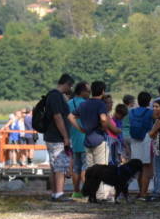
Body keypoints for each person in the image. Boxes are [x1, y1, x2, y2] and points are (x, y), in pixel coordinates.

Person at [43, 73, 77, 202]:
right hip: (56, 137)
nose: (70, 89)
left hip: (51, 136)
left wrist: (81, 129)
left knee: (54, 166)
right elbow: (57, 117)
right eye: (70, 86)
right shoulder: (56, 96)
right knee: (60, 166)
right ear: (67, 84)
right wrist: (65, 137)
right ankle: (59, 194)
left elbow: (68, 115)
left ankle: (54, 193)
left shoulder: (53, 96)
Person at [76, 81, 119, 169]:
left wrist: (80, 129)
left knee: (91, 170)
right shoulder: (101, 104)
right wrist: (105, 128)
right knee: (102, 170)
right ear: (103, 91)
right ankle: (102, 183)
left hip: (88, 141)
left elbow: (71, 116)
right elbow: (103, 119)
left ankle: (91, 183)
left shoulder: (84, 104)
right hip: (99, 140)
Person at [127, 91, 154, 199]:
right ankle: (144, 193)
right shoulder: (150, 112)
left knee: (138, 167)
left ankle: (140, 191)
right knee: (146, 167)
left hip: (134, 139)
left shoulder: (131, 112)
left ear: (138, 100)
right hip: (146, 138)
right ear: (148, 101)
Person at [67, 81, 90, 197]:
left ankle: (76, 192)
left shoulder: (69, 103)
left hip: (73, 138)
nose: (90, 93)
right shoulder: (86, 104)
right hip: (86, 137)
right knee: (85, 167)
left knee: (76, 167)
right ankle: (86, 192)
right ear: (82, 91)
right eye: (88, 91)